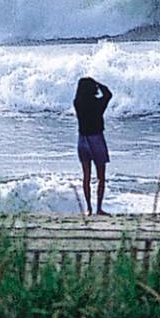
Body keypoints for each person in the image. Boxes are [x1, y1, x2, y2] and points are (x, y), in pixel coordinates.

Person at [73, 77, 113, 215]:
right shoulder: (97, 104)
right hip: (96, 139)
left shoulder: (77, 103)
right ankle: (99, 208)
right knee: (101, 176)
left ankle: (89, 208)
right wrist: (98, 83)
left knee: (86, 176)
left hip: (82, 139)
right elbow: (108, 93)